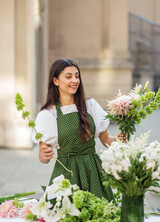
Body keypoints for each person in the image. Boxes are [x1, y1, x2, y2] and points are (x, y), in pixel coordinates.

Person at [32, 58, 125, 202]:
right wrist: (44, 155)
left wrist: (118, 140)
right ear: (55, 81)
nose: (74, 80)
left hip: (92, 171)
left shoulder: (90, 106)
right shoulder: (48, 115)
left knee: (97, 214)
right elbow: (43, 159)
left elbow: (106, 140)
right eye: (68, 77)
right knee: (66, 215)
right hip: (66, 174)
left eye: (77, 76)